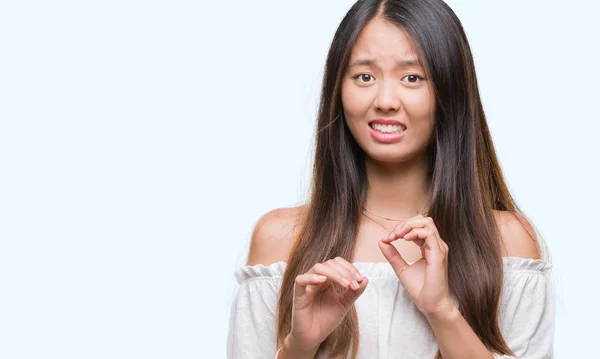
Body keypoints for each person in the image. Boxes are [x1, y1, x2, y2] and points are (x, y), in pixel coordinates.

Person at [227, 0, 555, 358]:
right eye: (364, 76)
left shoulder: (506, 243)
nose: (385, 100)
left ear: (450, 90)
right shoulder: (281, 242)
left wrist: (442, 311)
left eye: (412, 77)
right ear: (337, 90)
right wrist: (300, 346)